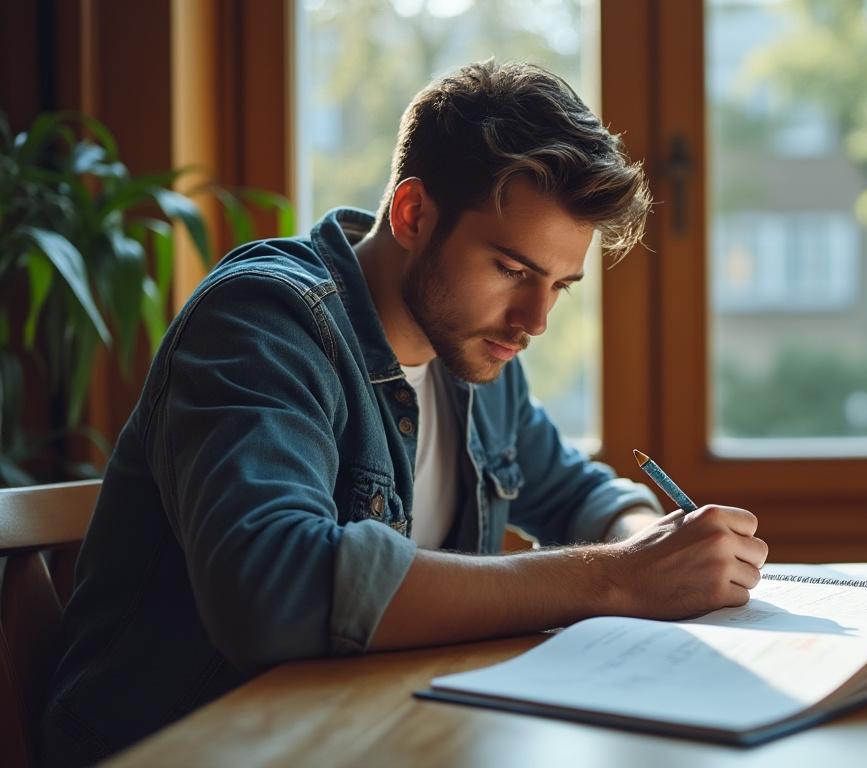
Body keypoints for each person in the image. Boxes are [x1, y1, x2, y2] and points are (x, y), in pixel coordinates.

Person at [41, 60, 768, 766]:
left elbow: (577, 492)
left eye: (560, 286)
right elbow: (271, 585)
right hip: (195, 748)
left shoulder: (478, 353)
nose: (535, 319)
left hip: (374, 735)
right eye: (513, 271)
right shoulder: (264, 321)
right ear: (414, 213)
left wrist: (654, 541)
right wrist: (616, 578)